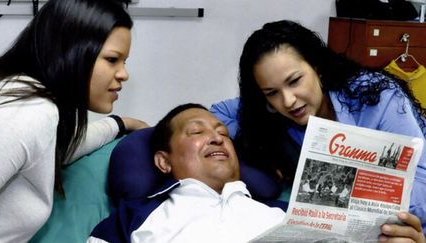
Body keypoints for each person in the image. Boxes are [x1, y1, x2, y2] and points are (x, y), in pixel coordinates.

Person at [88, 103, 425, 243]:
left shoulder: (289, 214)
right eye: (196, 131)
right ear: (164, 162)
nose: (217, 136)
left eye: (222, 130)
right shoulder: (133, 217)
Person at [210, 20, 426, 230]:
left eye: (294, 81)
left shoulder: (377, 97)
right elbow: (217, 114)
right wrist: (258, 146)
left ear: (317, 67)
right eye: (272, 93)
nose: (288, 101)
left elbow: (423, 191)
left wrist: (350, 188)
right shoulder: (271, 112)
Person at [0, 0, 148, 241]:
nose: (124, 74)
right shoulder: (29, 111)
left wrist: (121, 123)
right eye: (112, 59)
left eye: (124, 62)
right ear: (69, 50)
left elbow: (60, 148)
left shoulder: (26, 96)